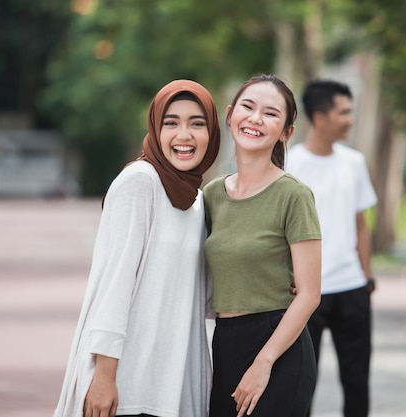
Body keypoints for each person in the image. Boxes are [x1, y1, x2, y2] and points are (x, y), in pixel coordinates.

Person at [53, 79, 221, 417]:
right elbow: (115, 284)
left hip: (170, 383)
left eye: (197, 124)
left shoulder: (197, 201)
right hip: (126, 383)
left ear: (213, 133)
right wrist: (104, 376)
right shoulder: (141, 182)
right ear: (155, 130)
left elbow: (199, 296)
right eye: (170, 123)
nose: (184, 135)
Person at [203, 74, 321, 417]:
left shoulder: (293, 195)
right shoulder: (211, 196)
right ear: (230, 115)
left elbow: (310, 294)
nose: (255, 118)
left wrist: (264, 362)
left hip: (279, 346)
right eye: (248, 107)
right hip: (225, 341)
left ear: (286, 131)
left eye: (270, 113)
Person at [285, 79, 378, 417]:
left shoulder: (353, 162)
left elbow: (360, 225)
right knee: (300, 382)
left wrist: (367, 279)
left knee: (357, 382)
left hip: (352, 289)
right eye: (344, 112)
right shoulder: (290, 165)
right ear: (320, 118)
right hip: (305, 293)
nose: (350, 119)